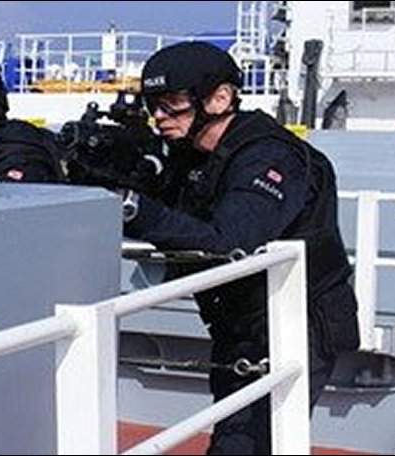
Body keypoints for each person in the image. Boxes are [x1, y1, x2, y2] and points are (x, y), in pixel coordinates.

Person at [121, 42, 360, 454]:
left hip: (294, 324)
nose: (159, 117)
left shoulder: (270, 154)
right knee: (237, 436)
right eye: (152, 106)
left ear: (220, 98)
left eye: (172, 103)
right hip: (243, 323)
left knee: (246, 444)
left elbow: (230, 239)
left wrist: (131, 207)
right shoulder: (195, 155)